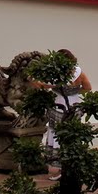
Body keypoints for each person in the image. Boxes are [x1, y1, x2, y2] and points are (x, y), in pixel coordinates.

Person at [41, 49, 91, 180]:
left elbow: (43, 85)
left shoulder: (58, 74)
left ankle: (61, 168)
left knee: (58, 134)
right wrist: (74, 92)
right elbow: (88, 87)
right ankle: (72, 166)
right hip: (74, 105)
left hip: (59, 105)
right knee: (72, 134)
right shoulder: (79, 72)